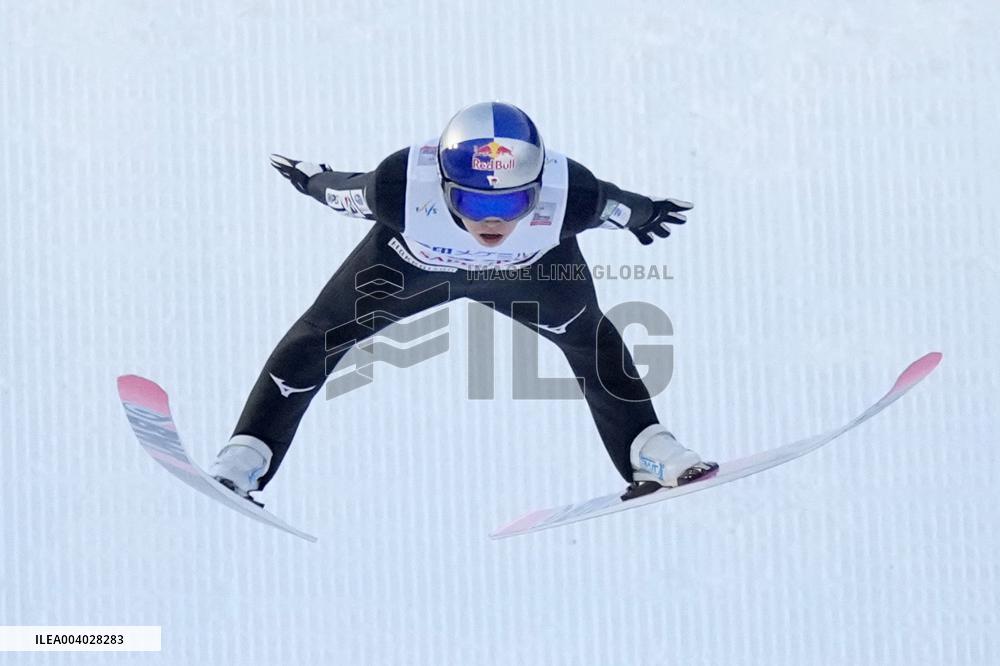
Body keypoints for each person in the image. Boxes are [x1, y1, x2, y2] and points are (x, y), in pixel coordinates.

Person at [209, 101, 717, 505]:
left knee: (591, 340)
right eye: (474, 202)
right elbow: (341, 191)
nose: (492, 223)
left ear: (538, 188)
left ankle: (651, 451)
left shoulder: (574, 192)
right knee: (318, 338)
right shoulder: (399, 186)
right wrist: (310, 178)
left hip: (530, 276)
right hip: (407, 273)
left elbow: (621, 207)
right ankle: (244, 457)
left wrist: (646, 216)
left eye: (515, 202)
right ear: (444, 185)